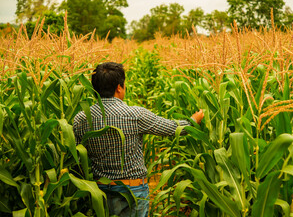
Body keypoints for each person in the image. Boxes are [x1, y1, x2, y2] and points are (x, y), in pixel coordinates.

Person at [73, 62, 204, 217]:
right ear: (119, 88)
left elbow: (77, 156)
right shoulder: (135, 114)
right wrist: (193, 120)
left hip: (100, 191)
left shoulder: (81, 119)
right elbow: (173, 129)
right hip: (133, 191)